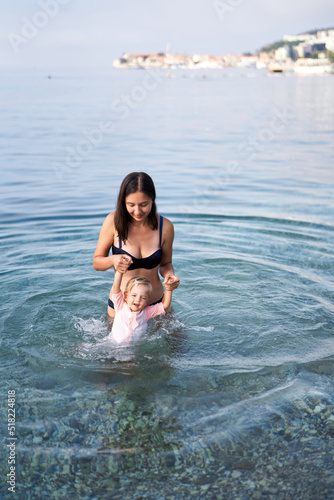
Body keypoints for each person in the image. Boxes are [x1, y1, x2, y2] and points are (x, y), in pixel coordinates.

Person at [93, 172, 180, 318]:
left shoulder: (165, 227)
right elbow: (97, 262)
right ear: (123, 202)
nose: (138, 211)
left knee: (179, 340)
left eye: (144, 205)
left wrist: (170, 276)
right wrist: (112, 260)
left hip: (156, 303)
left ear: (153, 200)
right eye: (131, 205)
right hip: (121, 307)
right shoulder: (113, 222)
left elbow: (166, 264)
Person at [109, 269, 175, 343]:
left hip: (134, 349)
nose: (137, 300)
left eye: (143, 298)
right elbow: (116, 289)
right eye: (134, 295)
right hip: (113, 344)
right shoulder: (120, 306)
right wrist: (119, 272)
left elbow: (165, 305)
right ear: (126, 295)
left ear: (147, 301)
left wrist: (169, 289)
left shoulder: (147, 312)